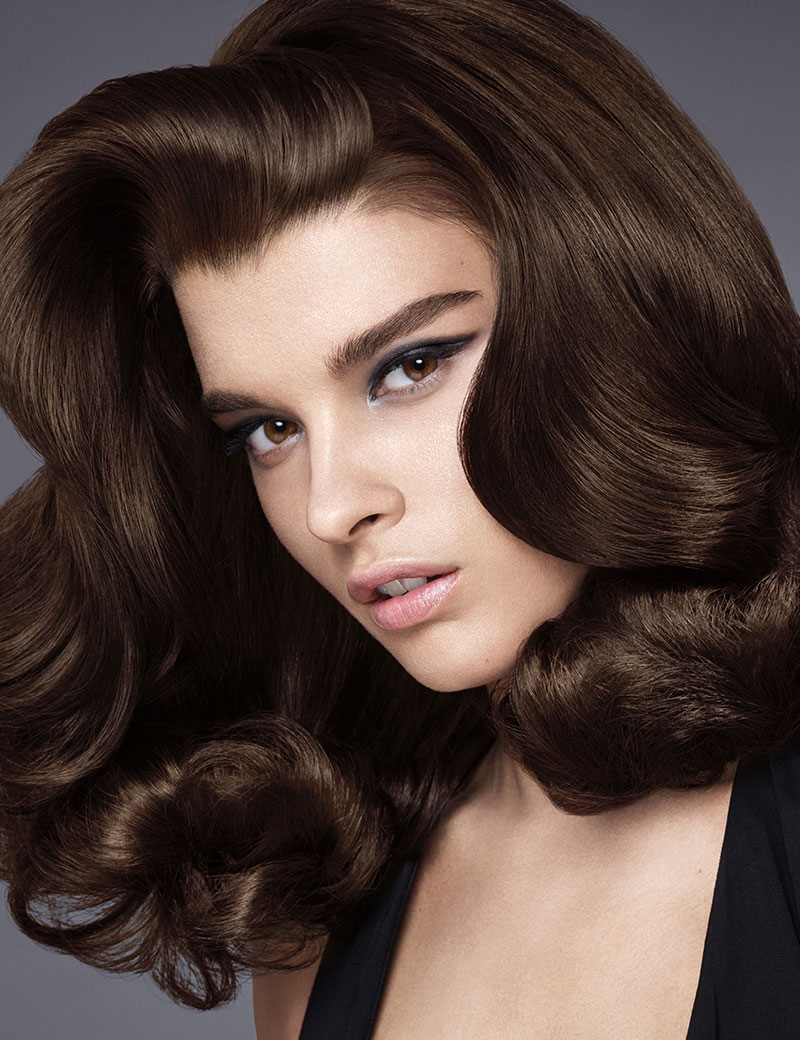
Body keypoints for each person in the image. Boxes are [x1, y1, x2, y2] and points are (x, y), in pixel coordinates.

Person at [1, 0, 798, 1037]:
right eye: (267, 429)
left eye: (409, 366)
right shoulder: (322, 901)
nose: (331, 506)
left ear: (612, 311)